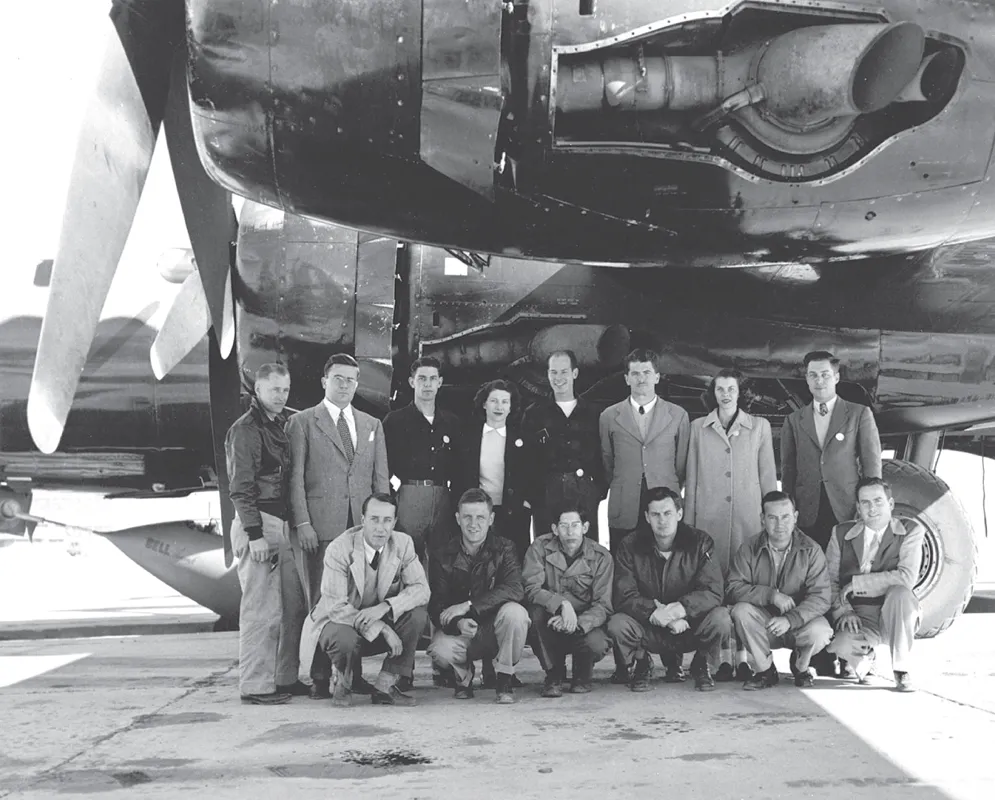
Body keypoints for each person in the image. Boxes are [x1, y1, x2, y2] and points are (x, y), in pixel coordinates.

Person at [685, 368, 777, 679]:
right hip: (709, 523)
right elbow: (692, 479)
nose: (725, 394)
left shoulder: (760, 428)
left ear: (740, 393)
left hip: (747, 523)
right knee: (712, 590)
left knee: (743, 591)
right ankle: (718, 658)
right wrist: (690, 526)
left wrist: (769, 522)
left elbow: (768, 479)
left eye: (731, 389)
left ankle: (744, 657)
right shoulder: (698, 427)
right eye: (720, 389)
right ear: (713, 393)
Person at [224, 363, 307, 704]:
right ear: (257, 390)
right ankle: (255, 685)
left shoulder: (279, 425)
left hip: (281, 525)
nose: (280, 396)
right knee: (261, 609)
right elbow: (241, 489)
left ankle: (283, 678)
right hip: (258, 523)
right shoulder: (246, 430)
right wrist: (254, 533)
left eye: (285, 390)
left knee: (289, 607)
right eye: (274, 390)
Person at [297, 493, 429, 706]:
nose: (381, 527)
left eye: (387, 520)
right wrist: (383, 628)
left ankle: (385, 686)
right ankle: (342, 681)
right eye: (374, 519)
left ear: (394, 522)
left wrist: (386, 607)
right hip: (338, 625)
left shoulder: (403, 543)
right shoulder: (339, 548)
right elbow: (336, 608)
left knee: (417, 615)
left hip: (373, 622)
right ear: (362, 520)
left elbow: (422, 589)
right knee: (343, 636)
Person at [287, 354, 389, 610]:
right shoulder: (302, 422)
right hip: (321, 528)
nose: (344, 385)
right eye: (338, 379)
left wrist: (382, 526)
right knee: (321, 601)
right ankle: (319, 649)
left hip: (361, 528)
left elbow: (381, 481)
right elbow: (294, 478)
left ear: (356, 384)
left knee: (360, 599)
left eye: (350, 380)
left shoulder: (372, 424)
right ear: (324, 381)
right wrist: (303, 523)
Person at [607, 487, 732, 692]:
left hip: (688, 625)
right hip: (649, 625)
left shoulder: (700, 542)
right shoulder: (630, 545)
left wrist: (680, 610)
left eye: (668, 513)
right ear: (647, 517)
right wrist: (653, 612)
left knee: (722, 618)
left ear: (679, 514)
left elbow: (713, 591)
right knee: (617, 623)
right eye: (655, 514)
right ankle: (642, 662)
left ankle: (701, 663)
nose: (662, 520)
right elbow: (623, 594)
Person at [427, 488, 530, 703]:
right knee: (440, 649)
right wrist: (458, 623)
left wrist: (469, 606)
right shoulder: (442, 553)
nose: (474, 524)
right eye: (467, 517)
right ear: (457, 518)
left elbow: (514, 588)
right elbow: (436, 604)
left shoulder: (506, 548)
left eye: (480, 517)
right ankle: (463, 677)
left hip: (496, 629)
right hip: (464, 632)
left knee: (516, 614)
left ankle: (504, 678)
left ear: (491, 518)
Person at [826, 478, 924, 692]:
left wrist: (856, 583)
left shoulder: (911, 530)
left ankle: (902, 669)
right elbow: (829, 581)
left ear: (890, 504)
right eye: (865, 502)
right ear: (858, 508)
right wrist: (844, 611)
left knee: (901, 594)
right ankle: (866, 658)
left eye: (878, 501)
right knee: (841, 643)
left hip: (894, 613)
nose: (872, 508)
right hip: (858, 615)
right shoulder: (840, 533)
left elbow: (906, 577)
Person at [728, 491, 833, 690]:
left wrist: (790, 619)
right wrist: (770, 595)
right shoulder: (749, 548)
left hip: (799, 623)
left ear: (795, 517)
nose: (780, 524)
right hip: (765, 624)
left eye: (785, 517)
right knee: (740, 611)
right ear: (762, 520)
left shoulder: (811, 550)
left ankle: (801, 666)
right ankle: (765, 671)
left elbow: (821, 597)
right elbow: (733, 587)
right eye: (772, 518)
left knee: (822, 631)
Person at [780, 351, 882, 550]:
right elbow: (788, 470)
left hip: (846, 507)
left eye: (825, 374)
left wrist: (870, 506)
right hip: (808, 509)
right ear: (807, 380)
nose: (819, 380)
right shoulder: (793, 421)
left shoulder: (859, 414)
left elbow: (872, 464)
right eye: (813, 375)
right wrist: (788, 509)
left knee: (846, 566)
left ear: (836, 377)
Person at [600, 348, 690, 554]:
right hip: (625, 503)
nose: (642, 379)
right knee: (625, 559)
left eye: (647, 373)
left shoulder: (678, 415)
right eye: (635, 374)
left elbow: (682, 463)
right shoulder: (608, 416)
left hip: (664, 502)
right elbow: (607, 460)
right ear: (626, 379)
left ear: (657, 377)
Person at [522, 505, 614, 696]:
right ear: (555, 529)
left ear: (585, 527)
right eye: (564, 526)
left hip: (585, 623)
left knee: (597, 642)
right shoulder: (540, 548)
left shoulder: (601, 557)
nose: (570, 531)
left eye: (575, 525)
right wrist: (561, 605)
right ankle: (554, 674)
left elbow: (603, 605)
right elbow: (531, 589)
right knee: (533, 615)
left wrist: (576, 623)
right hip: (552, 618)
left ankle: (583, 674)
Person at [522, 350, 606, 545]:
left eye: (564, 372)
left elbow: (604, 455)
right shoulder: (534, 414)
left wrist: (596, 490)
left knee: (586, 551)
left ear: (574, 373)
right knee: (548, 550)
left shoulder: (593, 413)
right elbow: (526, 459)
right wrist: (533, 494)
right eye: (554, 372)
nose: (558, 378)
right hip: (546, 494)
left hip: (583, 492)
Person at [382, 357, 461, 560]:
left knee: (442, 560)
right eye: (422, 378)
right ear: (411, 382)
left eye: (432, 379)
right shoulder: (395, 420)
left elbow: (461, 465)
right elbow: (384, 465)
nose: (427, 384)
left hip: (443, 497)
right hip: (410, 496)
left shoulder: (451, 422)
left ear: (440, 382)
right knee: (404, 557)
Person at [452, 379, 533, 561]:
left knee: (510, 560)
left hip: (512, 512)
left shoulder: (522, 439)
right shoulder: (469, 438)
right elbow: (458, 474)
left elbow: (531, 475)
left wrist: (526, 503)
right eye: (494, 400)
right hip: (478, 513)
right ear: (484, 404)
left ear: (511, 407)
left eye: (505, 402)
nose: (499, 406)